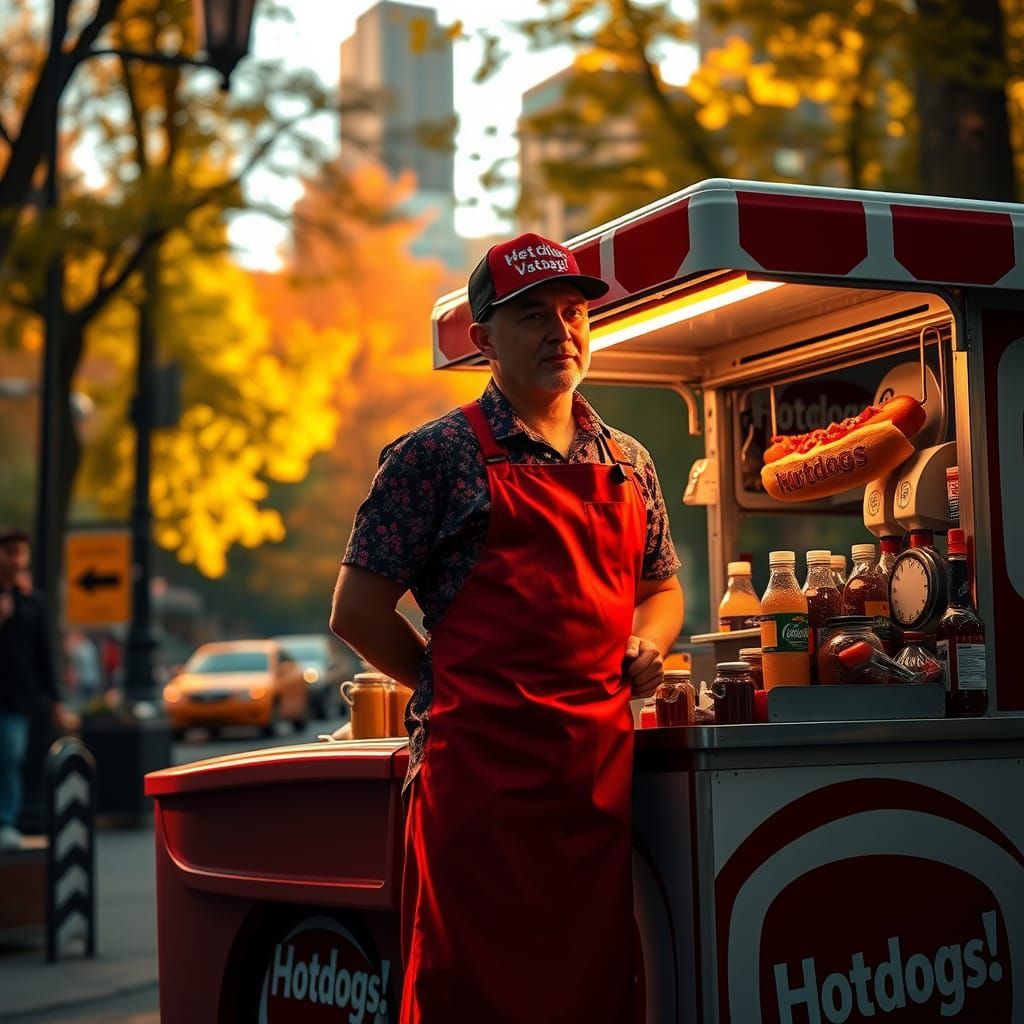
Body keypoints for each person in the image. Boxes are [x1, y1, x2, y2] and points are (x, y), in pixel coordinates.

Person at [330, 231, 684, 1023]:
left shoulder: (628, 460)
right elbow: (355, 611)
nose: (561, 331)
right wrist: (444, 680)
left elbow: (662, 589)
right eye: (533, 317)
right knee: (471, 993)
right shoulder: (434, 456)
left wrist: (649, 643)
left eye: (572, 313)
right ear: (485, 340)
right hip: (477, 796)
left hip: (593, 793)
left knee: (590, 992)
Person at [0, 526, 72, 848]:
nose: (15, 560)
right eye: (8, 552)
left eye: (20, 552)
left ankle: (5, 821)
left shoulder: (32, 601)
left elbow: (44, 653)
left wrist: (55, 700)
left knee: (10, 757)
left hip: (16, 698)